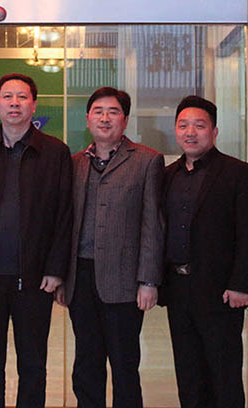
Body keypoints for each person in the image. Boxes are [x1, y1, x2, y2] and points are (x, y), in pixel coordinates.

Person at [0, 73, 73, 408]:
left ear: (34, 105)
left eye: (22, 97)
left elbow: (64, 214)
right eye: (7, 97)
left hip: (35, 279)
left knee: (33, 363)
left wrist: (56, 268)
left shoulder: (55, 152)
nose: (14, 103)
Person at [55, 87, 165, 408]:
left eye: (113, 112)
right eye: (98, 111)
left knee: (124, 365)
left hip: (124, 280)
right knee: (86, 364)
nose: (105, 118)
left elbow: (153, 224)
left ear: (125, 120)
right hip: (81, 277)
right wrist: (61, 276)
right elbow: (64, 224)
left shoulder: (147, 161)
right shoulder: (75, 163)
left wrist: (148, 280)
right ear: (88, 118)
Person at [160, 95, 248, 408]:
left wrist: (241, 284)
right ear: (176, 130)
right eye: (183, 125)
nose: (190, 132)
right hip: (178, 290)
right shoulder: (167, 175)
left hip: (220, 293)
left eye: (199, 125)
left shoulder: (238, 173)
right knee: (188, 375)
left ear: (214, 131)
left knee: (224, 375)